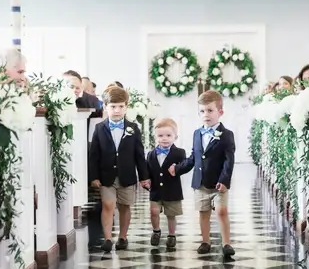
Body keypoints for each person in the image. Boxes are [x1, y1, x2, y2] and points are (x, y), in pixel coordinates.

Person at [169, 89, 236, 257]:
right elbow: (194, 157)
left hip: (219, 182)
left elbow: (229, 160)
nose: (206, 114)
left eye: (210, 110)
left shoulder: (227, 135)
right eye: (202, 111)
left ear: (220, 112)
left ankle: (226, 243)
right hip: (200, 182)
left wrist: (225, 180)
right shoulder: (197, 133)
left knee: (222, 211)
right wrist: (177, 169)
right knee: (203, 212)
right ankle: (205, 241)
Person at [88, 86, 150, 253]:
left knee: (124, 206)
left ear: (126, 106)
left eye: (121, 106)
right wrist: (94, 176)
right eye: (113, 107)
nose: (117, 110)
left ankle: (122, 236)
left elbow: (139, 154)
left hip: (127, 174)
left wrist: (144, 176)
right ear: (105, 106)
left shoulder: (133, 128)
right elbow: (94, 155)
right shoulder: (99, 128)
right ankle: (108, 238)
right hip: (106, 175)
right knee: (108, 205)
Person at [147, 118, 186, 248]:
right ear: (155, 137)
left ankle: (171, 235)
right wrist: (145, 179)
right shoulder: (151, 154)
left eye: (168, 135)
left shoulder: (179, 153)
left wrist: (178, 168)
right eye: (160, 135)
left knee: (171, 214)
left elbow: (185, 166)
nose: (164, 138)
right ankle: (156, 231)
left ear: (175, 136)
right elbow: (148, 169)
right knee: (153, 212)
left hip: (172, 190)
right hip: (155, 189)